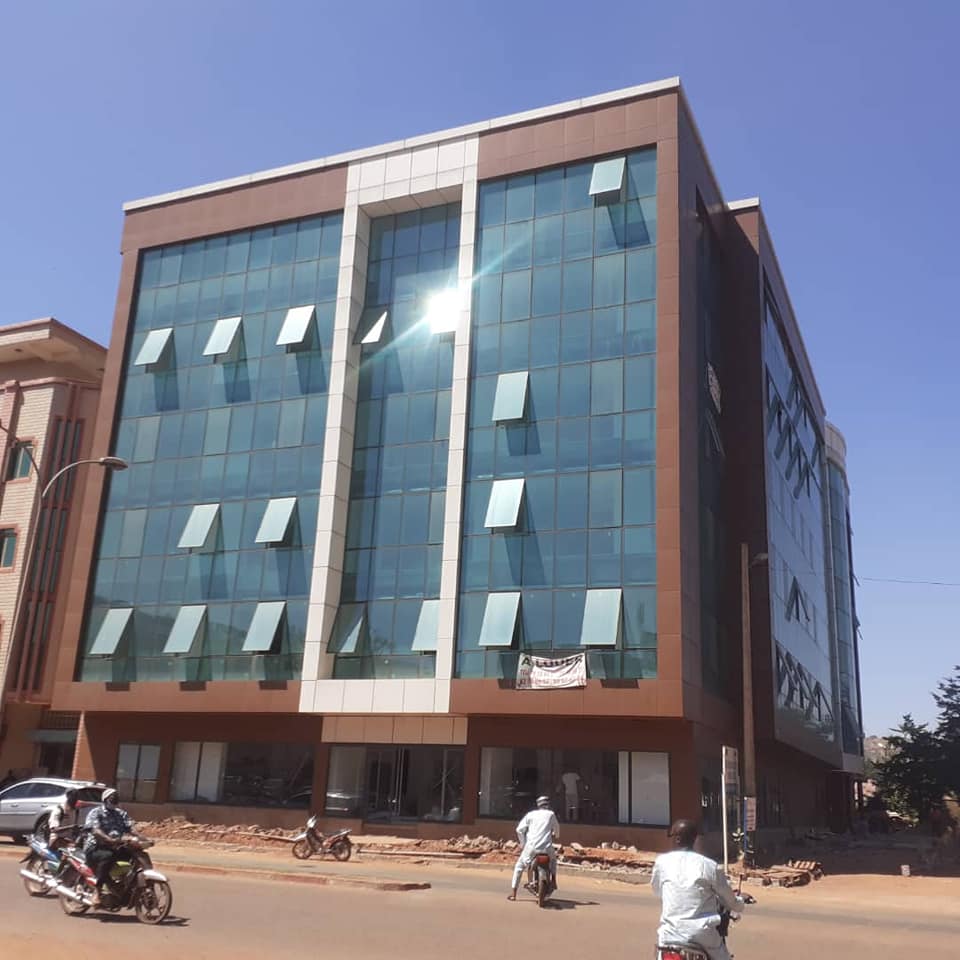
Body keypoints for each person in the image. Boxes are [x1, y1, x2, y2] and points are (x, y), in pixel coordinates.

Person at [651, 819, 744, 960]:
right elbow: (731, 902)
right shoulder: (710, 866)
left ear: (676, 839)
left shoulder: (662, 862)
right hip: (702, 936)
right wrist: (740, 902)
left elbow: (657, 890)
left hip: (669, 935)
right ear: (695, 839)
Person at [83, 787, 136, 907]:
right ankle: (97, 891)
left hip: (116, 846)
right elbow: (95, 830)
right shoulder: (96, 812)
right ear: (105, 799)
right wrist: (108, 839)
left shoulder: (121, 813)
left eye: (116, 798)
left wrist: (142, 838)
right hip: (96, 847)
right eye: (112, 798)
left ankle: (122, 883)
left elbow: (131, 828)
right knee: (107, 856)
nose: (115, 800)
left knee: (133, 853)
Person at [507, 795, 559, 901]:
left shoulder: (530, 815)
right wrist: (556, 835)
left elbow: (519, 830)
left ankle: (513, 893)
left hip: (531, 848)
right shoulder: (551, 814)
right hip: (546, 848)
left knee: (519, 867)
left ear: (538, 805)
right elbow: (557, 829)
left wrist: (523, 843)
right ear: (548, 805)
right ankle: (553, 880)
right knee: (553, 860)